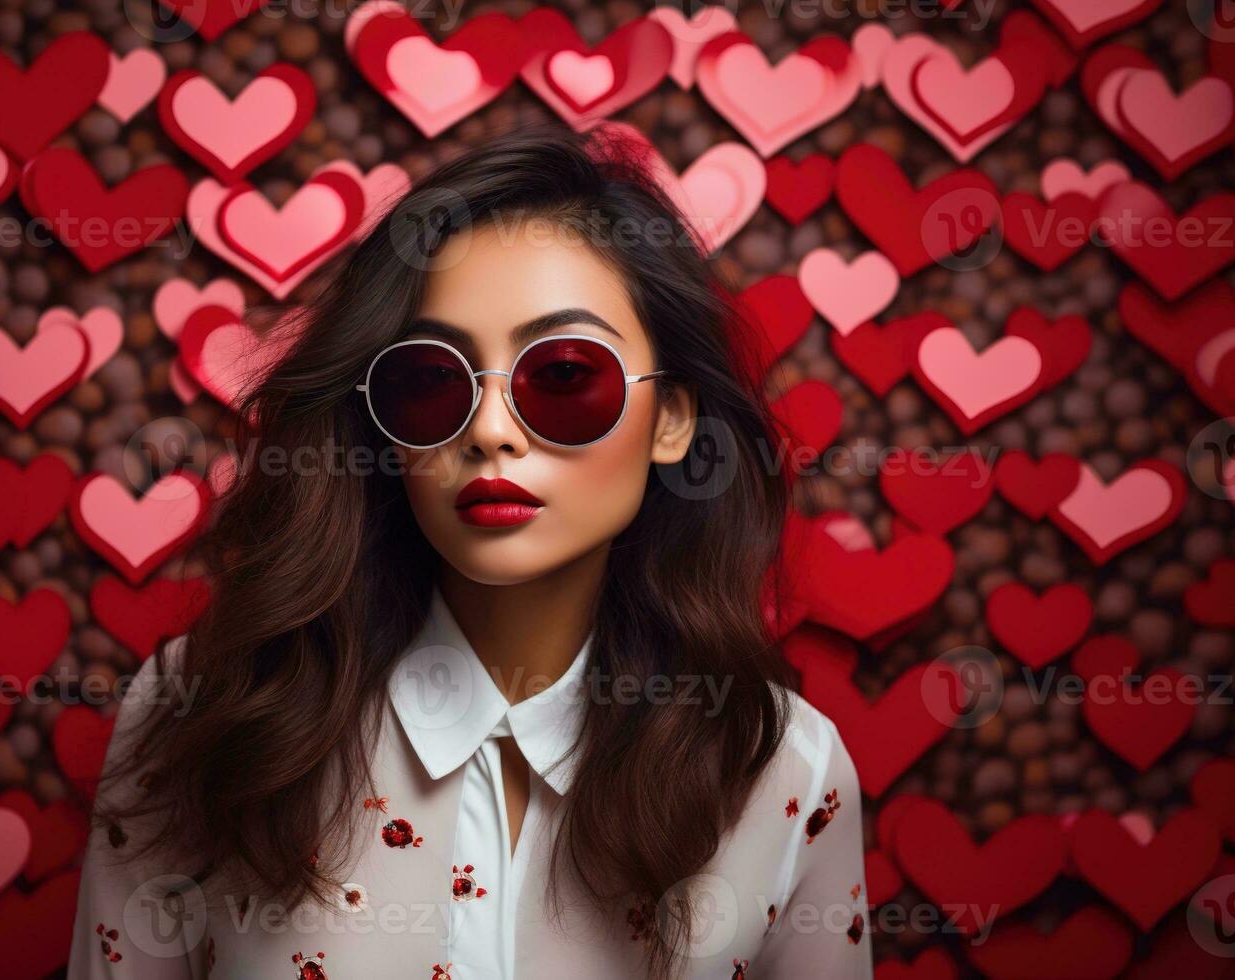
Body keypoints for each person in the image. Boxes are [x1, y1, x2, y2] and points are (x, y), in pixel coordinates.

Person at [69, 120, 871, 980]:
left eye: (562, 374)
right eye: (431, 381)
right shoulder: (208, 712)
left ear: (671, 418)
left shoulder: (784, 770)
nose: (490, 432)